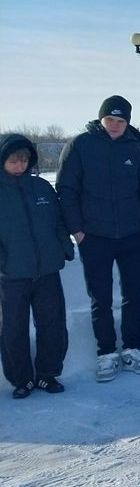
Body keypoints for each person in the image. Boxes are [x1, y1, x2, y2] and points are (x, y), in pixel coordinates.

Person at [56, 95, 140, 382]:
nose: (115, 124)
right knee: (100, 298)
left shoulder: (135, 150)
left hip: (133, 236)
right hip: (95, 236)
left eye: (120, 120)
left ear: (127, 123)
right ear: (101, 119)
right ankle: (107, 353)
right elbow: (67, 190)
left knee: (133, 295)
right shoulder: (80, 145)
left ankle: (132, 348)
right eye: (110, 119)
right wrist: (78, 230)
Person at [0, 133, 74, 398]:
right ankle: (21, 379)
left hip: (47, 271)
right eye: (13, 160)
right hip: (11, 275)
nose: (19, 165)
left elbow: (58, 222)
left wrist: (64, 247)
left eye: (24, 160)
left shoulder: (42, 188)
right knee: (13, 328)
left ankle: (47, 374)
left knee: (52, 324)